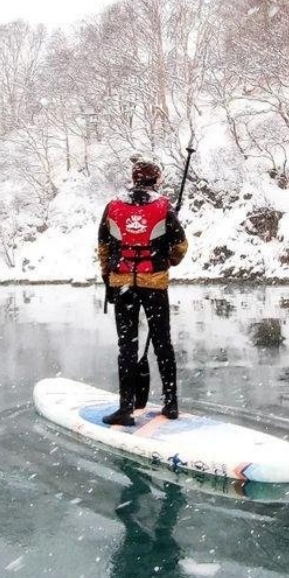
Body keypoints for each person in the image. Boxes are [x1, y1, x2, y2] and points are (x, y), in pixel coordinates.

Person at [97, 157, 188, 426]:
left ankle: (126, 408)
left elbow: (103, 246)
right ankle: (170, 404)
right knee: (163, 343)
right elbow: (181, 246)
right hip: (154, 284)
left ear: (134, 178)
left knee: (127, 346)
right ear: (156, 180)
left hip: (123, 285)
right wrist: (168, 260)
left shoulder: (113, 207)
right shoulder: (163, 207)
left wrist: (108, 275)